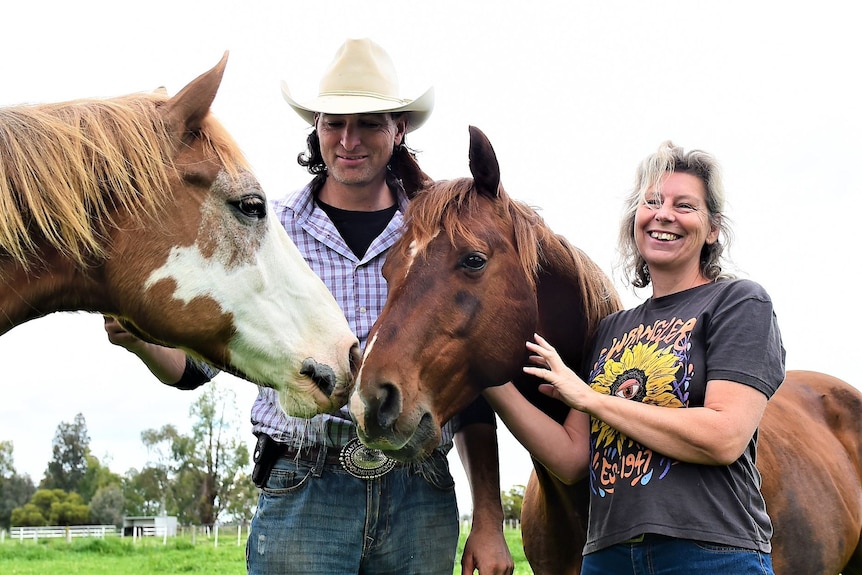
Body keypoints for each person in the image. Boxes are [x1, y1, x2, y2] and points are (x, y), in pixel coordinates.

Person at [105, 38, 513, 575]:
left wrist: (487, 517)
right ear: (315, 128)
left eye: (368, 123)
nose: (348, 140)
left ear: (399, 130)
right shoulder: (263, 228)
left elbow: (474, 392)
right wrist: (142, 342)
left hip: (418, 491)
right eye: (332, 122)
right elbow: (195, 367)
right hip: (304, 485)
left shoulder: (439, 237)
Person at [483, 141, 785, 574]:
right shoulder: (610, 329)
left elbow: (724, 436)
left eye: (685, 205)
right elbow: (571, 459)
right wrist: (489, 378)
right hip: (607, 556)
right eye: (652, 202)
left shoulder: (738, 302)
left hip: (711, 553)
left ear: (713, 229)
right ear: (636, 218)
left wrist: (590, 398)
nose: (664, 214)